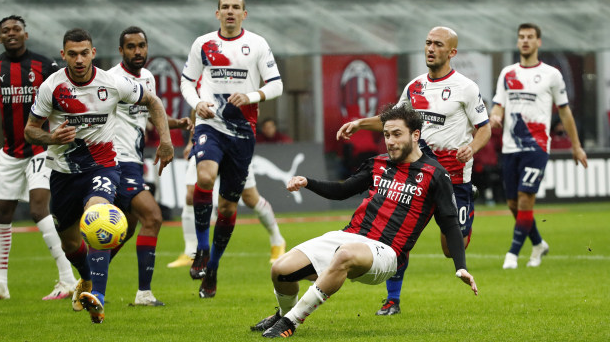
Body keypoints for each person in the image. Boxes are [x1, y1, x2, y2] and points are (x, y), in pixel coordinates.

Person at [251, 105, 478, 338]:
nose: (390, 141)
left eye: (397, 134)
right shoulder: (378, 163)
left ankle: (291, 321)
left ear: (415, 135)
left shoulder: (436, 174)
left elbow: (450, 223)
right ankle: (283, 313)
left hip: (387, 252)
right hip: (350, 236)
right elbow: (342, 191)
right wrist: (307, 182)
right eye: (387, 135)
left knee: (346, 254)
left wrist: (461, 266)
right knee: (280, 270)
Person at [336, 26, 490, 316]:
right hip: (417, 176)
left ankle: (468, 209)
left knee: (450, 247)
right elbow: (391, 119)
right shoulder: (414, 86)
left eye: (438, 44)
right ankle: (392, 300)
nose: (431, 48)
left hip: (454, 178)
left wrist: (473, 147)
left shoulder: (465, 87)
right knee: (396, 237)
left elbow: (484, 127)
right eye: (428, 43)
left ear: (452, 52)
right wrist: (359, 123)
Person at [24, 28, 173, 323]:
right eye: (72, 54)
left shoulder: (112, 83)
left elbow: (153, 102)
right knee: (69, 244)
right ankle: (87, 280)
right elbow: (30, 130)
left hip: (102, 166)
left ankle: (99, 299)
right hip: (63, 172)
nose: (79, 60)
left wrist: (165, 140)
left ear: (93, 53)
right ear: (63, 54)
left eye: (84, 53)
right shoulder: (51, 87)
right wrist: (52, 138)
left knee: (98, 216)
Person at [179, 0, 283, 298]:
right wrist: (197, 102)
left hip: (242, 133)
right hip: (210, 124)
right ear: (217, 13)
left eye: (236, 7)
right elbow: (186, 81)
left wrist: (251, 96)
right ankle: (200, 247)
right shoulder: (203, 44)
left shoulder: (258, 45)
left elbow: (276, 85)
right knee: (204, 177)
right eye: (224, 7)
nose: (230, 12)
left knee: (227, 206)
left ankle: (212, 268)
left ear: (244, 14)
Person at [0, 15, 77, 301]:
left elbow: (64, 99)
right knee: (1, 213)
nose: (11, 33)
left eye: (16, 29)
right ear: (0, 38)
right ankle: (0, 286)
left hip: (41, 150)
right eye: (5, 31)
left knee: (39, 210)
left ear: (25, 35)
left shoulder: (46, 66)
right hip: (10, 153)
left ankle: (68, 279)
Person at [491, 23, 587, 269]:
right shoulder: (507, 73)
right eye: (521, 37)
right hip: (510, 147)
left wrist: (576, 146)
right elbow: (498, 104)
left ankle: (512, 254)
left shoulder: (551, 74)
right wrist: (495, 116)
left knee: (525, 199)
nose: (525, 41)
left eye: (530, 37)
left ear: (538, 42)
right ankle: (538, 243)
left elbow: (565, 112)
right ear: (517, 42)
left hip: (537, 145)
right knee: (513, 204)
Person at [108, 26, 191, 306]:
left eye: (141, 45)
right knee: (153, 217)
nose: (137, 51)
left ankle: (87, 276)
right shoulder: (110, 80)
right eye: (130, 47)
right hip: (115, 161)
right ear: (121, 50)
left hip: (133, 160)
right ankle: (143, 294)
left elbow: (148, 112)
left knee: (128, 227)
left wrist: (175, 123)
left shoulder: (147, 77)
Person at [167, 122, 286, 268]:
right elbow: (196, 111)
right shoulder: (196, 97)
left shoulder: (241, 98)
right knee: (191, 195)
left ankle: (277, 240)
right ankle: (190, 252)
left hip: (234, 143)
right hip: (206, 141)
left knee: (250, 198)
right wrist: (192, 140)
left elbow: (252, 111)